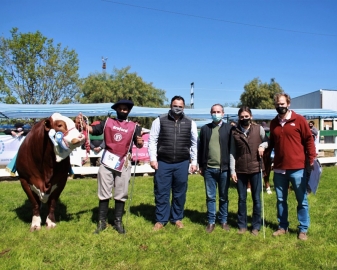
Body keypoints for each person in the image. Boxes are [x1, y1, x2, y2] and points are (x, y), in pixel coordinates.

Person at [76, 99, 144, 234]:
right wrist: (83, 124)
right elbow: (92, 130)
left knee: (121, 192)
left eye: (125, 109)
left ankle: (117, 221)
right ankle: (102, 222)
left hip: (124, 162)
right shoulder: (107, 122)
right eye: (121, 108)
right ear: (116, 110)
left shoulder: (135, 126)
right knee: (104, 192)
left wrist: (140, 142)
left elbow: (139, 144)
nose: (123, 111)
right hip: (107, 162)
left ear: (128, 111)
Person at [269, 93, 316, 241]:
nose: (280, 106)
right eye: (277, 104)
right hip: (279, 169)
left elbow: (309, 140)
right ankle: (283, 226)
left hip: (297, 168)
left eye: (282, 104)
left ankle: (303, 229)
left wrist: (312, 157)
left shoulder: (299, 120)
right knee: (281, 199)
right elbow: (271, 142)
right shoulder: (273, 123)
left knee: (301, 199)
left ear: (288, 103)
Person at [148, 95, 198, 230]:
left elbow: (194, 143)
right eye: (175, 106)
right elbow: (152, 140)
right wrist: (153, 158)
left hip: (182, 162)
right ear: (170, 106)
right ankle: (161, 219)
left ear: (184, 107)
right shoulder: (159, 120)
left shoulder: (190, 122)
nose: (177, 108)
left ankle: (177, 218)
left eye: (180, 107)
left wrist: (194, 162)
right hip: (163, 162)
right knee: (161, 191)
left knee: (180, 192)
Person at [230, 107, 268, 236]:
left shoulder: (259, 129)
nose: (244, 118)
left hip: (256, 168)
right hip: (240, 170)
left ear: (251, 116)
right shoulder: (234, 132)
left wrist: (263, 146)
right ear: (239, 118)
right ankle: (242, 225)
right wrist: (232, 170)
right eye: (242, 117)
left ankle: (256, 226)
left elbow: (267, 141)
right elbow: (232, 152)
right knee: (242, 199)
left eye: (246, 116)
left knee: (256, 199)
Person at [198, 104, 233, 233]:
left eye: (218, 112)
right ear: (210, 113)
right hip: (209, 169)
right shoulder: (205, 129)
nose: (216, 113)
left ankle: (224, 221)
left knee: (224, 196)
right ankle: (211, 222)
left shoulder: (229, 129)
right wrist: (201, 165)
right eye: (214, 112)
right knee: (210, 197)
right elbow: (201, 148)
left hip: (224, 169)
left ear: (223, 114)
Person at [261, 121, 273, 195]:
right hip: (259, 153)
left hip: (268, 155)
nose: (266, 132)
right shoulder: (258, 134)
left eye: (267, 130)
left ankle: (267, 184)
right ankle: (249, 185)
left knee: (267, 170)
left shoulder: (271, 136)